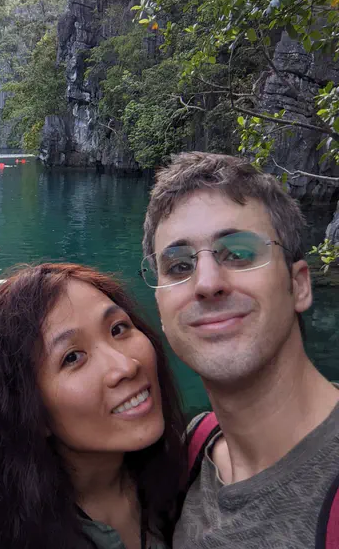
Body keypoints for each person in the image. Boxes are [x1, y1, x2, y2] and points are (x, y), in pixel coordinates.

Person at [140, 152, 339, 548]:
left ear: (299, 285)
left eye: (240, 253)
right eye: (179, 265)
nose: (207, 282)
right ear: (161, 308)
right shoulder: (191, 454)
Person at [0, 263, 187, 549]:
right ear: (31, 413)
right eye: (72, 357)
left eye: (119, 329)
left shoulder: (198, 469)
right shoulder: (12, 539)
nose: (125, 367)